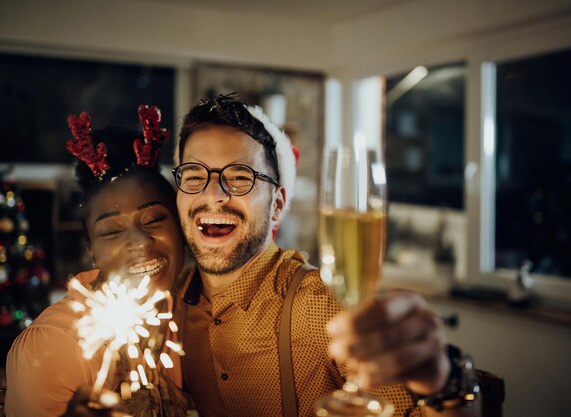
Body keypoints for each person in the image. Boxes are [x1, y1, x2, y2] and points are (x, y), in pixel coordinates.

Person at [171, 94, 503, 417]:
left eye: (239, 177)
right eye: (195, 176)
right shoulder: (169, 309)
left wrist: (442, 382)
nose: (213, 195)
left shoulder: (322, 305)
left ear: (278, 205)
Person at [3, 106, 189, 417]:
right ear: (91, 248)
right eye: (112, 231)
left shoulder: (192, 312)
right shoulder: (53, 345)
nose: (139, 242)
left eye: (154, 219)